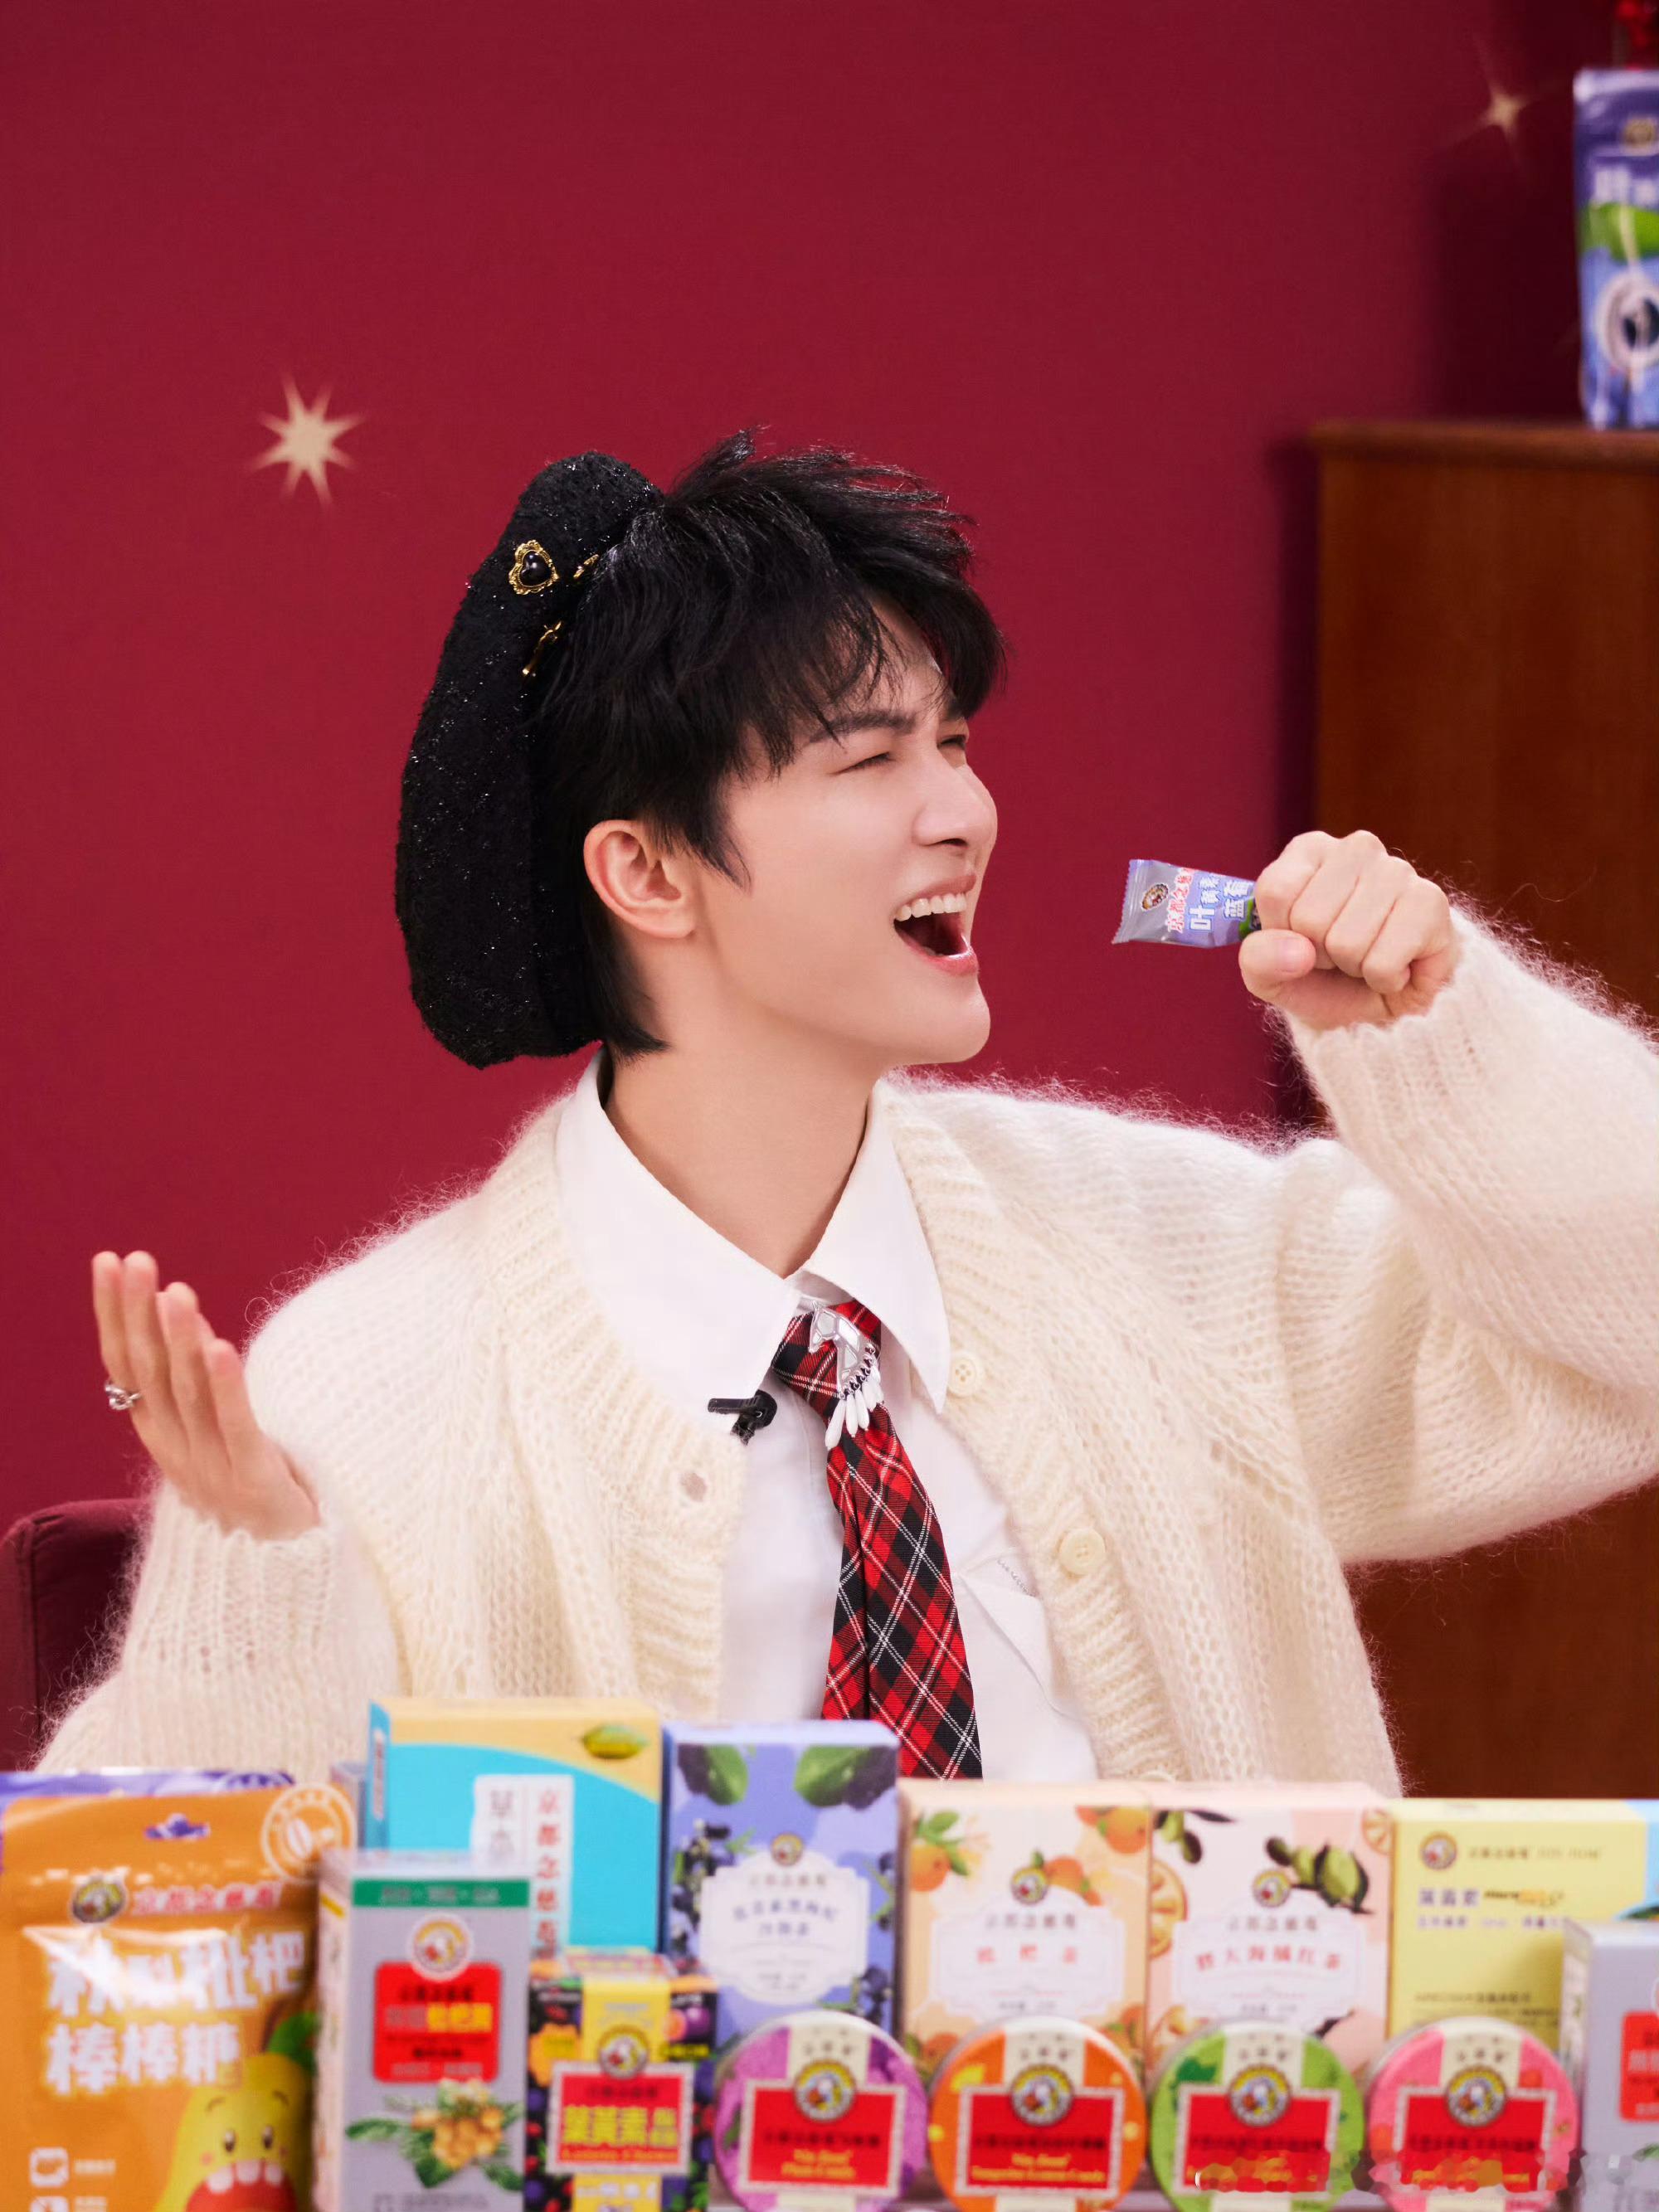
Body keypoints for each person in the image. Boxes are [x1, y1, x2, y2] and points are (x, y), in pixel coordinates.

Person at [41, 430, 1659, 1788]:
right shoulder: (378, 1382)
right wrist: (253, 1581)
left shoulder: (1163, 1259)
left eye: (954, 741)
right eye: (871, 759)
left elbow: (1625, 1342)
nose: (965, 809)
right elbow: (172, 1914)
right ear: (646, 871)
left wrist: (1448, 1042)